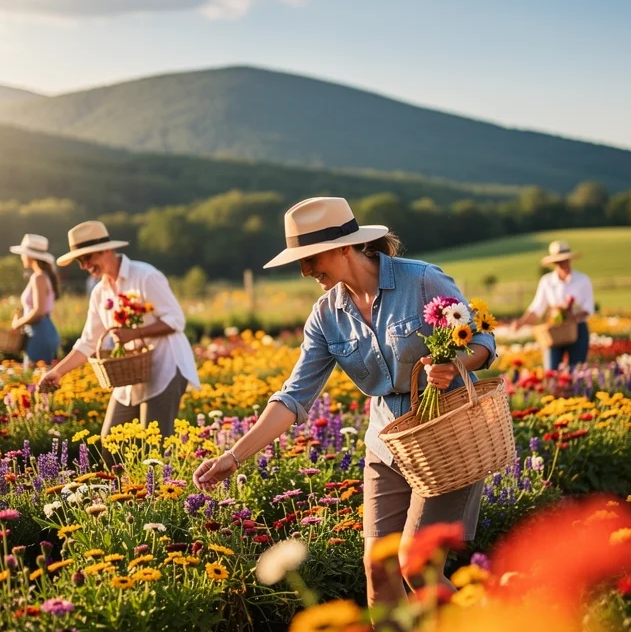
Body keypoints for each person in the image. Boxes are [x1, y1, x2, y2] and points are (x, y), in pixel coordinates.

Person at [192, 196, 496, 609]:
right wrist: (235, 455)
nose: (305, 271)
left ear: (343, 246)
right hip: (386, 443)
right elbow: (294, 396)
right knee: (378, 568)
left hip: (446, 436)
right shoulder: (326, 314)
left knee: (415, 565)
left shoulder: (422, 280)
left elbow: (481, 339)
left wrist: (454, 362)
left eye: (311, 258)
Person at [35, 221, 199, 436]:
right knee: (110, 442)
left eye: (88, 258)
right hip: (130, 374)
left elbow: (176, 320)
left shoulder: (145, 276)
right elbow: (88, 342)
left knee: (155, 445)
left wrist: (136, 333)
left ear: (107, 250)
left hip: (165, 366)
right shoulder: (99, 292)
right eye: (80, 261)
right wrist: (57, 372)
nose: (84, 266)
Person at [509, 240, 594, 370]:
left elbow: (588, 308)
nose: (562, 264)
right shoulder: (547, 281)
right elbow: (537, 307)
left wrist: (571, 315)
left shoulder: (582, 280)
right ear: (554, 263)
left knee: (577, 370)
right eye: (558, 262)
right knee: (551, 370)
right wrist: (521, 323)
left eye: (564, 260)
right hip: (554, 330)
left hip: (577, 328)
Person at [8, 234, 61, 368]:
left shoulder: (38, 278)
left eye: (23, 254)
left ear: (30, 256)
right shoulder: (43, 276)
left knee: (34, 379)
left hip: (40, 332)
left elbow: (39, 311)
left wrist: (18, 323)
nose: (21, 257)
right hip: (41, 330)